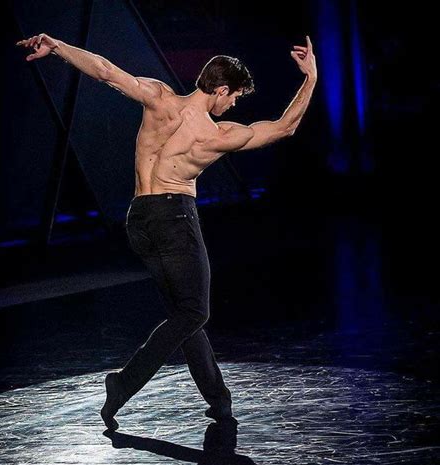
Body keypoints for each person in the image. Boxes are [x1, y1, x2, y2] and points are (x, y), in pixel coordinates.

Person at [16, 33, 317, 430]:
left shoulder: (159, 98)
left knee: (185, 315)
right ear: (221, 90)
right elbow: (284, 128)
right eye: (234, 98)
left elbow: (105, 71)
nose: (233, 106)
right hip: (175, 218)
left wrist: (57, 47)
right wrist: (310, 78)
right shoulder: (216, 135)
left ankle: (219, 400)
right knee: (195, 311)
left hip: (139, 218)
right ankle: (121, 385)